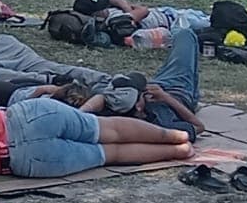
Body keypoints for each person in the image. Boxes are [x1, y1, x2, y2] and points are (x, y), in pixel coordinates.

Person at [0, 85, 194, 178]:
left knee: (109, 154)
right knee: (107, 128)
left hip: (22, 159)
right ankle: (175, 136)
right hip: (25, 118)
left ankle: (178, 151)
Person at [77, 28, 208, 140]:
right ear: (139, 107)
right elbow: (199, 127)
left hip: (158, 86)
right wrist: (166, 98)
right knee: (185, 35)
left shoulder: (113, 105)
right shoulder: (161, 123)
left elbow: (100, 97)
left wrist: (81, 113)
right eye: (142, 92)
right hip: (178, 91)